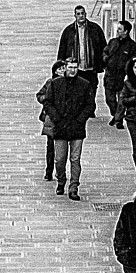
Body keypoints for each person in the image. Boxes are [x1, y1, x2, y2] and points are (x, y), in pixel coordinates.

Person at [36, 58, 94, 199]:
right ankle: (61, 180)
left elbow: (90, 105)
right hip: (60, 126)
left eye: (75, 67)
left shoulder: (84, 84)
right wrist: (56, 118)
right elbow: (48, 102)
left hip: (77, 127)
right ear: (65, 68)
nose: (73, 70)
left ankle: (74, 186)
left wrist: (80, 119)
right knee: (60, 159)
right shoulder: (56, 84)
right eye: (70, 67)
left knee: (75, 158)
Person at [58, 5, 108, 104]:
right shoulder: (69, 30)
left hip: (91, 67)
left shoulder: (95, 28)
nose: (81, 16)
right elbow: (62, 49)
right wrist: (61, 65)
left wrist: (104, 62)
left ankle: (90, 107)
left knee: (92, 87)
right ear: (75, 16)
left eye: (82, 13)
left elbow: (103, 46)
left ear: (86, 14)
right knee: (77, 89)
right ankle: (81, 107)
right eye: (78, 14)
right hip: (76, 67)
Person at [102, 21, 136, 126]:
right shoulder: (113, 42)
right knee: (109, 98)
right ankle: (116, 115)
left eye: (120, 29)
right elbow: (105, 51)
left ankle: (118, 120)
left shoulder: (132, 46)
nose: (117, 31)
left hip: (122, 75)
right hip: (110, 74)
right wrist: (105, 58)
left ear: (126, 31)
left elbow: (134, 61)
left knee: (121, 100)